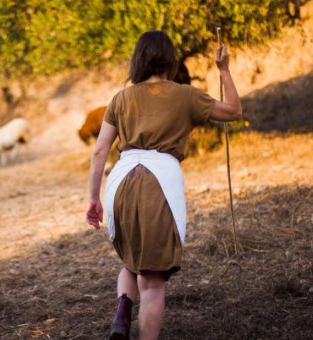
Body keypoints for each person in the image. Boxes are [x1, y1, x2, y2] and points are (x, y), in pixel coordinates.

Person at [86, 31, 242, 340]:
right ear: (169, 61)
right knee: (153, 283)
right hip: (160, 184)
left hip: (120, 184)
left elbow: (99, 151)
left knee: (133, 261)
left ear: (138, 59)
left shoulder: (120, 98)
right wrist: (224, 70)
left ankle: (122, 310)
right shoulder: (185, 95)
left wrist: (93, 198)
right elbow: (234, 112)